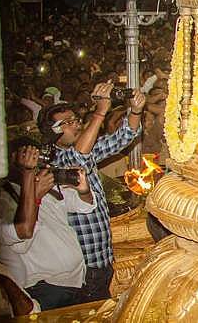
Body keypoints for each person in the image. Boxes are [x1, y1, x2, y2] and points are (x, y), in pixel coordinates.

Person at [38, 82, 145, 301]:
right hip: (82, 265)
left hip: (101, 257)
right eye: (67, 123)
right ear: (51, 131)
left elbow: (124, 136)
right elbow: (78, 158)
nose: (76, 125)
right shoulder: (52, 162)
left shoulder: (83, 150)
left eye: (76, 120)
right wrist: (100, 112)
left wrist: (135, 110)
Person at [0, 143, 95, 310]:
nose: (35, 164)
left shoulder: (48, 187)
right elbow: (23, 233)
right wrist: (35, 193)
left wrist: (83, 190)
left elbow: (85, 206)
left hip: (76, 282)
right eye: (27, 160)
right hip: (45, 289)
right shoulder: (0, 199)